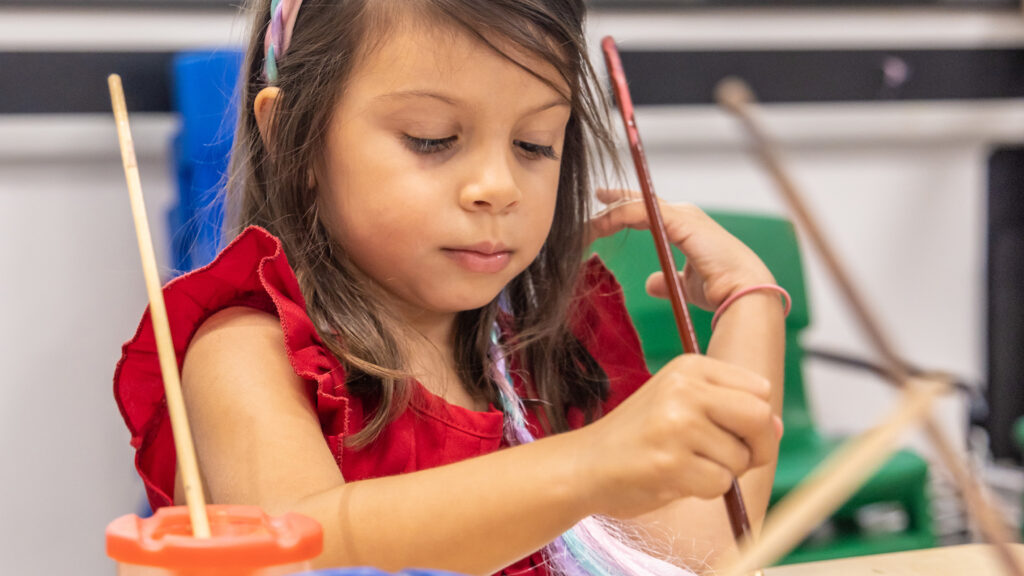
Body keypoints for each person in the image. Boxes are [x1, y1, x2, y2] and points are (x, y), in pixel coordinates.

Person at [114, 1, 788, 575]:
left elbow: (695, 551)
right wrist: (587, 466)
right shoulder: (247, 354)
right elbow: (300, 548)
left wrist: (750, 307)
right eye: (433, 140)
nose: (496, 187)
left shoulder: (556, 344)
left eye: (533, 144)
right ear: (295, 138)